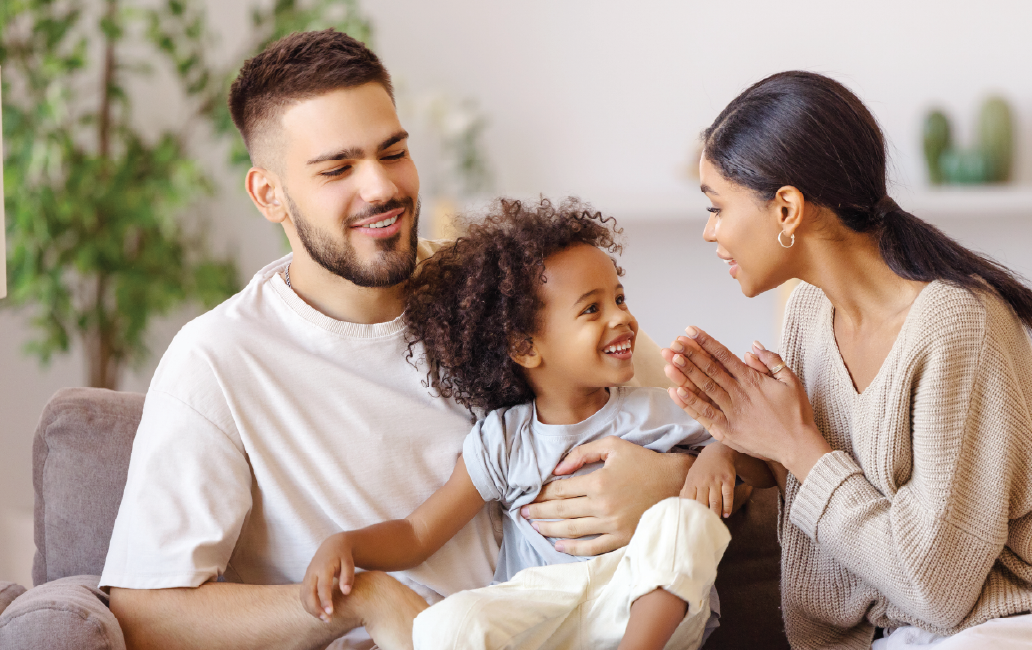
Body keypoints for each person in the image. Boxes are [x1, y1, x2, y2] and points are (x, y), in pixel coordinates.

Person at [100, 30, 693, 650]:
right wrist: (362, 599)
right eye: (337, 168)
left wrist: (669, 478)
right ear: (269, 194)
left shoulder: (501, 292)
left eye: (393, 152)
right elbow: (146, 613)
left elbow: (703, 424)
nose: (381, 187)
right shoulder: (217, 361)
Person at [660, 71, 1032, 650]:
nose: (710, 231)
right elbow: (812, 452)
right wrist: (726, 443)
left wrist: (793, 443)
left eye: (717, 206)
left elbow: (934, 587)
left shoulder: (956, 325)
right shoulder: (806, 312)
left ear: (786, 209)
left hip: (1029, 622)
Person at [300, 198, 771, 650]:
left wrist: (718, 455)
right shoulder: (503, 441)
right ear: (525, 348)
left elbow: (757, 455)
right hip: (542, 610)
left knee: (684, 520)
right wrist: (348, 545)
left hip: (637, 603)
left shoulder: (659, 408)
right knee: (445, 625)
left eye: (620, 298)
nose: (622, 319)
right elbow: (418, 534)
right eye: (592, 308)